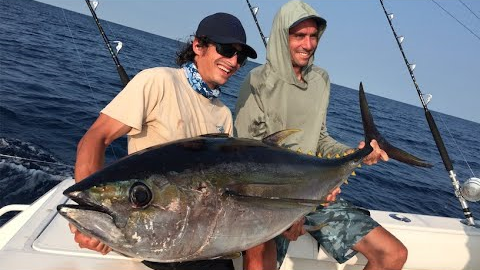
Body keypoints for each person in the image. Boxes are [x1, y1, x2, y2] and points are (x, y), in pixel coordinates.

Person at [70, 12, 258, 270]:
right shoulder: (158, 81)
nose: (233, 61)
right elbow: (95, 138)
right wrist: (88, 212)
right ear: (198, 46)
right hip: (154, 240)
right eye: (226, 49)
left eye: (241, 57)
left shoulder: (223, 114)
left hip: (202, 244)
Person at [234, 1, 408, 270]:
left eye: (313, 36)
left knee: (392, 254)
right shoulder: (257, 80)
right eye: (299, 36)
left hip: (315, 195)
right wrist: (289, 211)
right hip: (268, 201)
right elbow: (246, 157)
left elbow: (320, 138)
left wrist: (355, 153)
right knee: (257, 258)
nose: (308, 44)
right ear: (283, 37)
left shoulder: (320, 80)